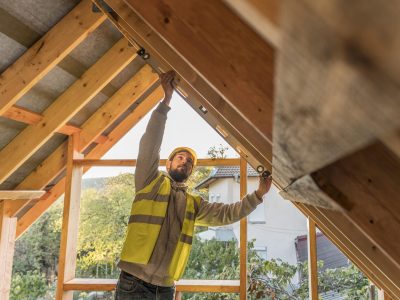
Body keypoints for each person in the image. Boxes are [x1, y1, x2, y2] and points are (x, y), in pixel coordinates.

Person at [115, 71, 272, 300]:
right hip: (133, 283)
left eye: (189, 162)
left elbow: (227, 214)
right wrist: (165, 103)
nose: (185, 162)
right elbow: (149, 144)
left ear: (191, 172)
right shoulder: (149, 182)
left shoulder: (192, 204)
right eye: (180, 157)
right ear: (167, 163)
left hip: (166, 288)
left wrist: (258, 194)